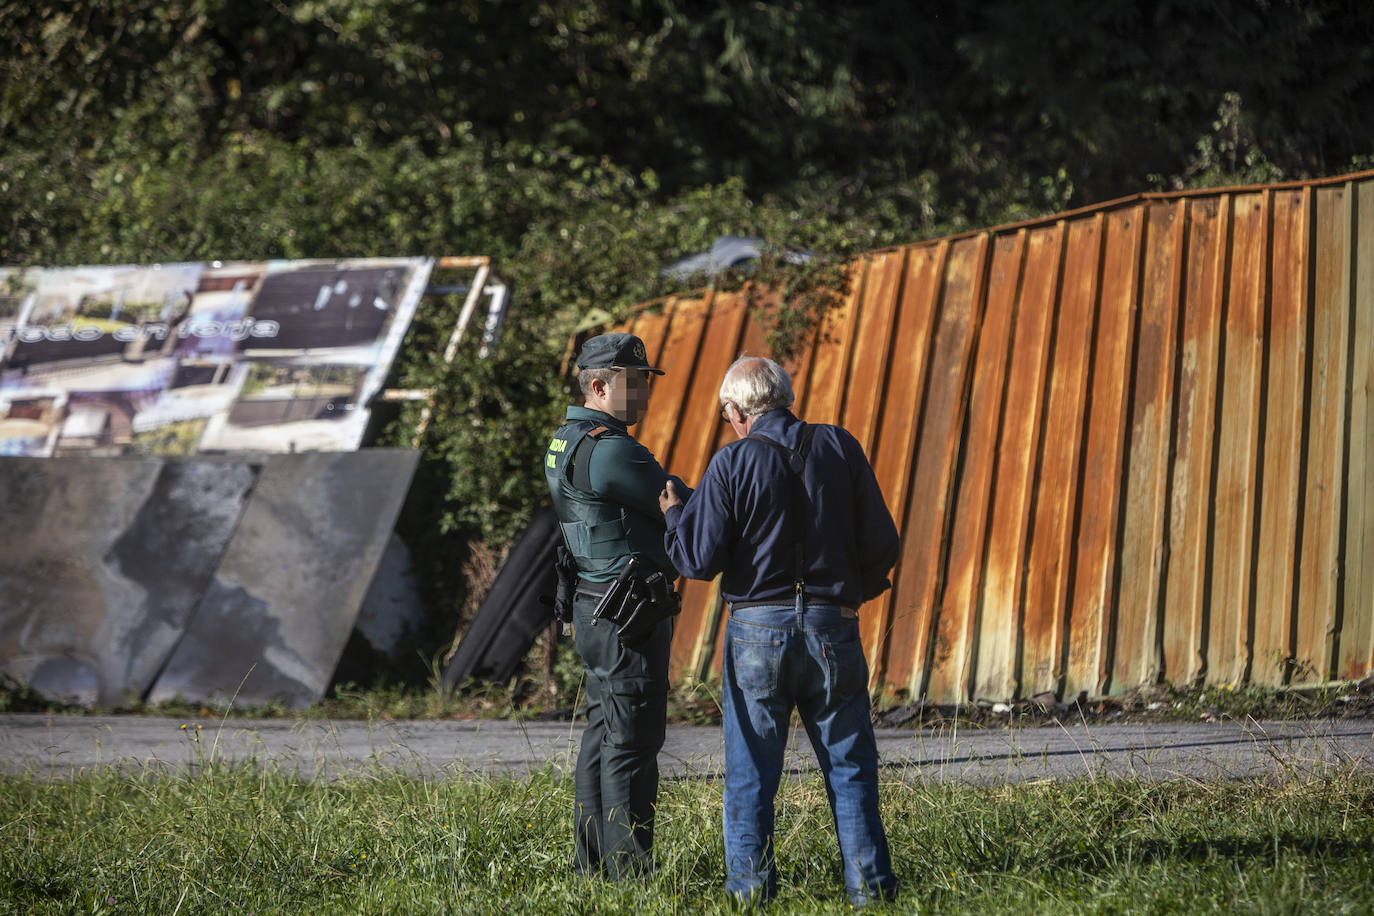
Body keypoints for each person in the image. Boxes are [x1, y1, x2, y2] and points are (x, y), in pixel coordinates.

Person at [659, 355, 900, 906]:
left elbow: (697, 559)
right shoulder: (841, 447)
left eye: (727, 416)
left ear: (736, 409)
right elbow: (884, 542)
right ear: (784, 397)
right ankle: (871, 895)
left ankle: (751, 897)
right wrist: (845, 597)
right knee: (851, 769)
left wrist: (676, 513)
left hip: (755, 633)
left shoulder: (731, 462)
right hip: (832, 626)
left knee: (751, 776)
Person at [544, 332, 693, 879]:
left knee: (603, 734)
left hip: (594, 604)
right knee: (633, 740)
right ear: (600, 385)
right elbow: (681, 504)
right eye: (635, 384)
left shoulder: (566, 440)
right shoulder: (611, 448)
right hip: (628, 613)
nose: (645, 397)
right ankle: (630, 875)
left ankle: (593, 866)